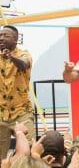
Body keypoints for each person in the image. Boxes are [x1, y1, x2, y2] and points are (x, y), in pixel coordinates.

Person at [0, 25, 35, 159]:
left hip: (22, 112)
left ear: (15, 40)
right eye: (0, 36)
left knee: (30, 149)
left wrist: (11, 57)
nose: (1, 38)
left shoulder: (24, 54)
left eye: (6, 36)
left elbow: (24, 64)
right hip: (1, 113)